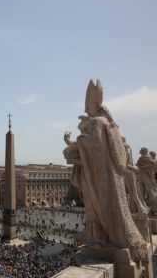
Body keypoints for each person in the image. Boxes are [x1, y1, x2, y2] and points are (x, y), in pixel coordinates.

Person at [64, 79, 147, 264]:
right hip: (102, 177)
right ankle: (99, 239)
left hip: (99, 178)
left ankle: (99, 241)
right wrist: (77, 144)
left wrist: (75, 145)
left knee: (96, 209)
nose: (85, 110)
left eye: (87, 105)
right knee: (97, 210)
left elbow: (94, 146)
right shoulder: (104, 123)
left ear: (94, 104)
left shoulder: (97, 123)